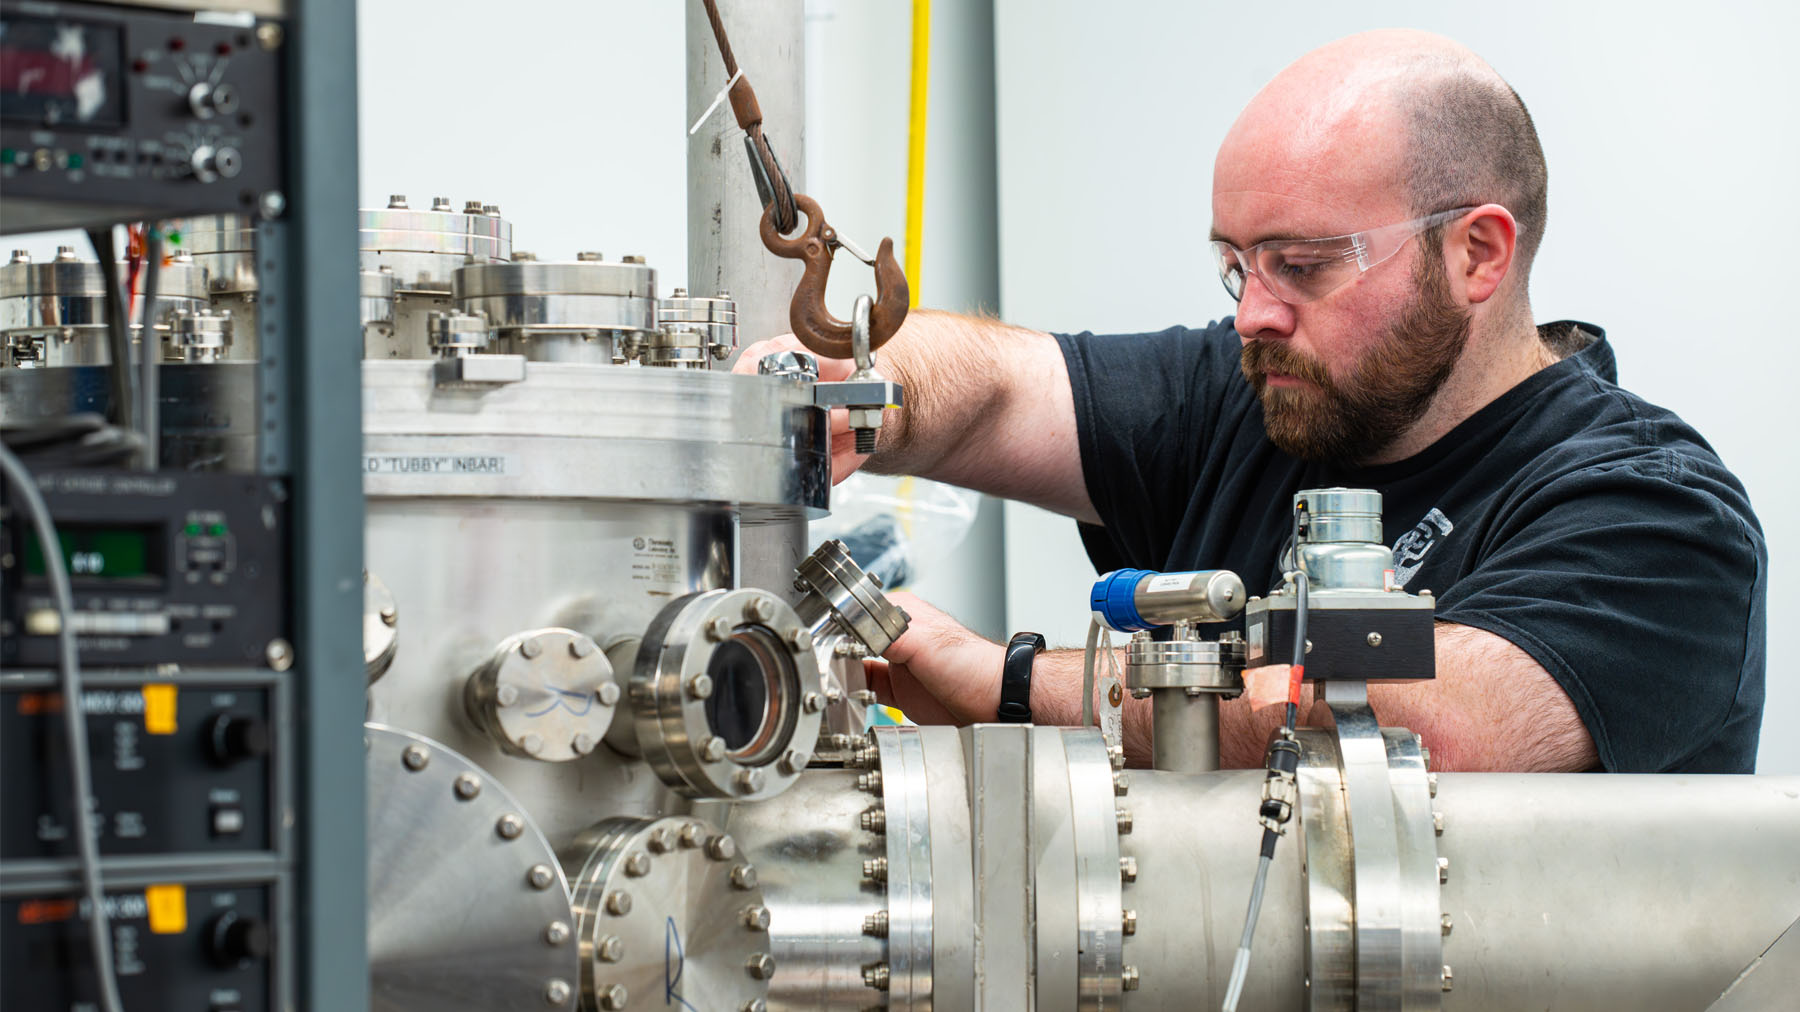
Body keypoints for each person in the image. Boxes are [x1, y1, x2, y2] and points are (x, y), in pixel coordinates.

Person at [738, 29, 1765, 773]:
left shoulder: (1657, 515)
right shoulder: (1259, 394)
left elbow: (1417, 726)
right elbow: (1002, 388)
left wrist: (1008, 680)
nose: (1253, 314)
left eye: (1304, 265)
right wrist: (848, 388)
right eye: (1238, 265)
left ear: (1477, 254)